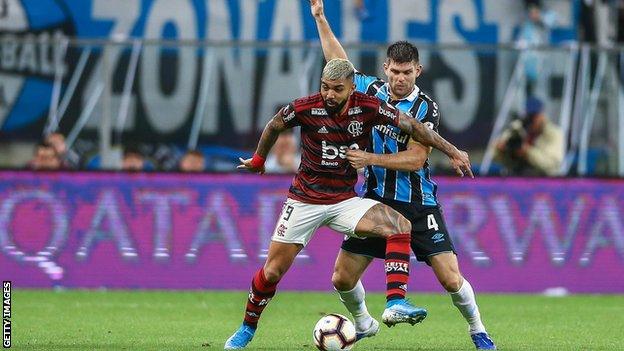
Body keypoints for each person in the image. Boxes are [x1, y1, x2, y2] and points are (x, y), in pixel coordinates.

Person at [224, 58, 473, 350]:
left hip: (344, 200)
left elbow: (414, 127)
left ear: (351, 88)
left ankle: (395, 301)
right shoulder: (306, 107)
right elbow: (275, 124)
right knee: (273, 271)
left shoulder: (368, 107)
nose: (329, 95)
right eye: (325, 88)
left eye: (337, 89)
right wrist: (258, 159)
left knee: (399, 224)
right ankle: (246, 329)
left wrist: (453, 150)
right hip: (305, 199)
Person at [310, 0, 496, 349]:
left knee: (451, 278)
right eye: (394, 71)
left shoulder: (426, 107)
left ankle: (478, 329)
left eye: (406, 72)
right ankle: (364, 323)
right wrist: (320, 18)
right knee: (341, 277)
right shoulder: (371, 90)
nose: (399, 79)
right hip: (377, 203)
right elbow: (338, 63)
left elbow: (414, 159)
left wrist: (369, 157)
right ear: (386, 68)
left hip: (418, 204)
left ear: (418, 72)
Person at [494, 96, 563, 176]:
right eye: (529, 116)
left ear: (542, 115)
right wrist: (501, 150)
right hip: (518, 177)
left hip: (545, 180)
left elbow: (551, 164)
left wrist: (527, 152)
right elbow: (497, 156)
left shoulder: (554, 134)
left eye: (534, 116)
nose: (531, 120)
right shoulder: (517, 128)